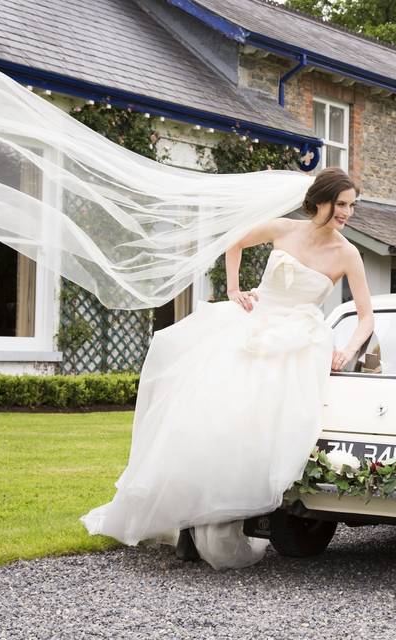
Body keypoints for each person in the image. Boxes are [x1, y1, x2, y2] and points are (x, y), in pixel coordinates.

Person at [81, 168, 374, 569]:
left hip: (296, 343)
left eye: (352, 206)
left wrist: (347, 348)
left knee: (253, 430)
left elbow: (365, 319)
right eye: (342, 204)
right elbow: (233, 242)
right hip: (253, 323)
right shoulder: (283, 228)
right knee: (205, 415)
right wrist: (235, 290)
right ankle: (185, 520)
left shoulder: (347, 253)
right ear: (320, 200)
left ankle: (223, 520)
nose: (347, 213)